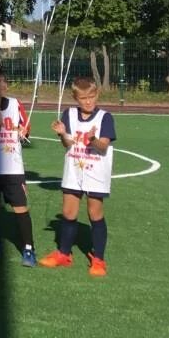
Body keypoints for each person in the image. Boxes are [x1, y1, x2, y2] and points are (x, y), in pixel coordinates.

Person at [40, 77, 116, 276]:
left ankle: (98, 259)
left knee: (95, 213)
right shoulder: (69, 114)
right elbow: (67, 144)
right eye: (83, 98)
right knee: (68, 212)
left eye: (91, 96)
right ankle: (64, 254)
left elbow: (103, 146)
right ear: (75, 98)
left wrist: (93, 139)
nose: (88, 101)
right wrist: (63, 133)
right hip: (73, 170)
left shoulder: (105, 117)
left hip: (96, 172)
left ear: (97, 95)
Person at [0, 67, 36, 266]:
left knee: (20, 208)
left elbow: (25, 129)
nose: (3, 85)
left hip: (13, 169)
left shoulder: (14, 104)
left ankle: (28, 248)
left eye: (4, 81)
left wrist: (24, 131)